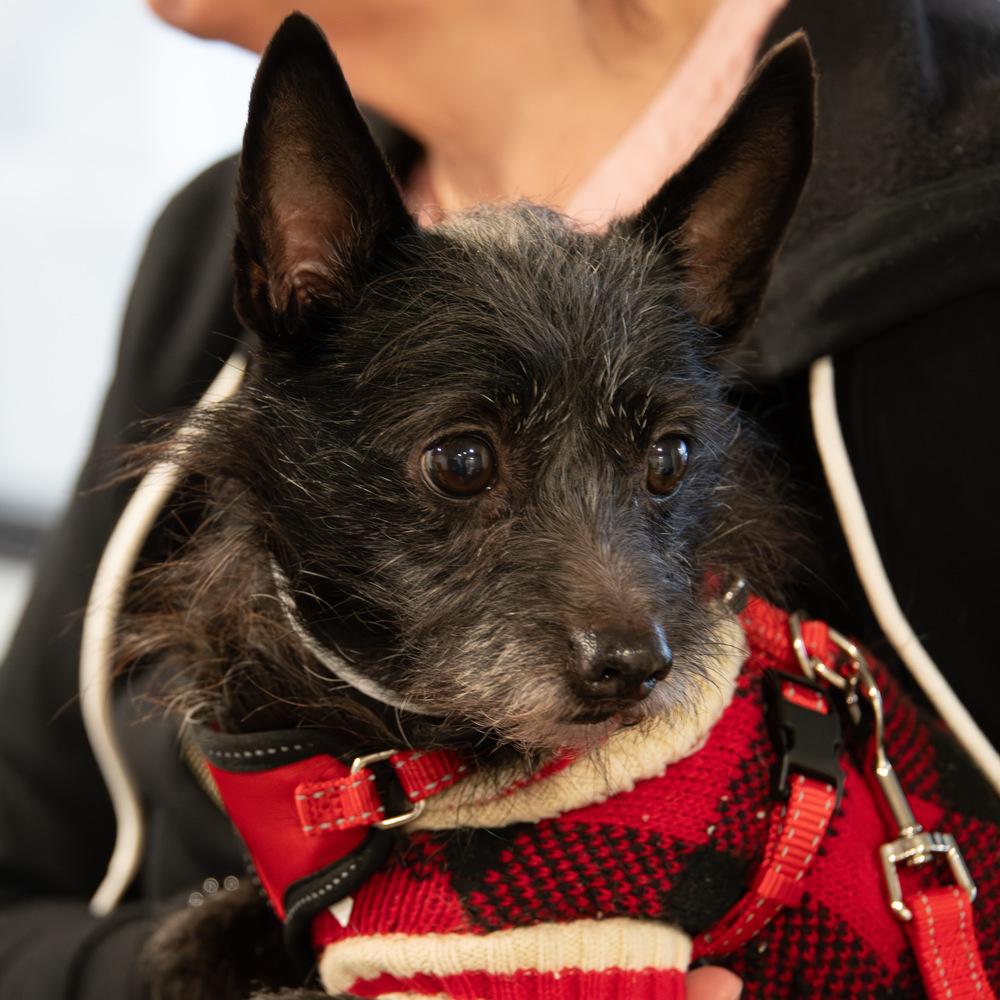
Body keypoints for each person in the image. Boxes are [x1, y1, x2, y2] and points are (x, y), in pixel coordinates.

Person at [1, 1, 998, 998]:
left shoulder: (963, 202)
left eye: (662, 466)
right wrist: (215, 970)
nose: (627, 636)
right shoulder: (211, 251)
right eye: (464, 466)